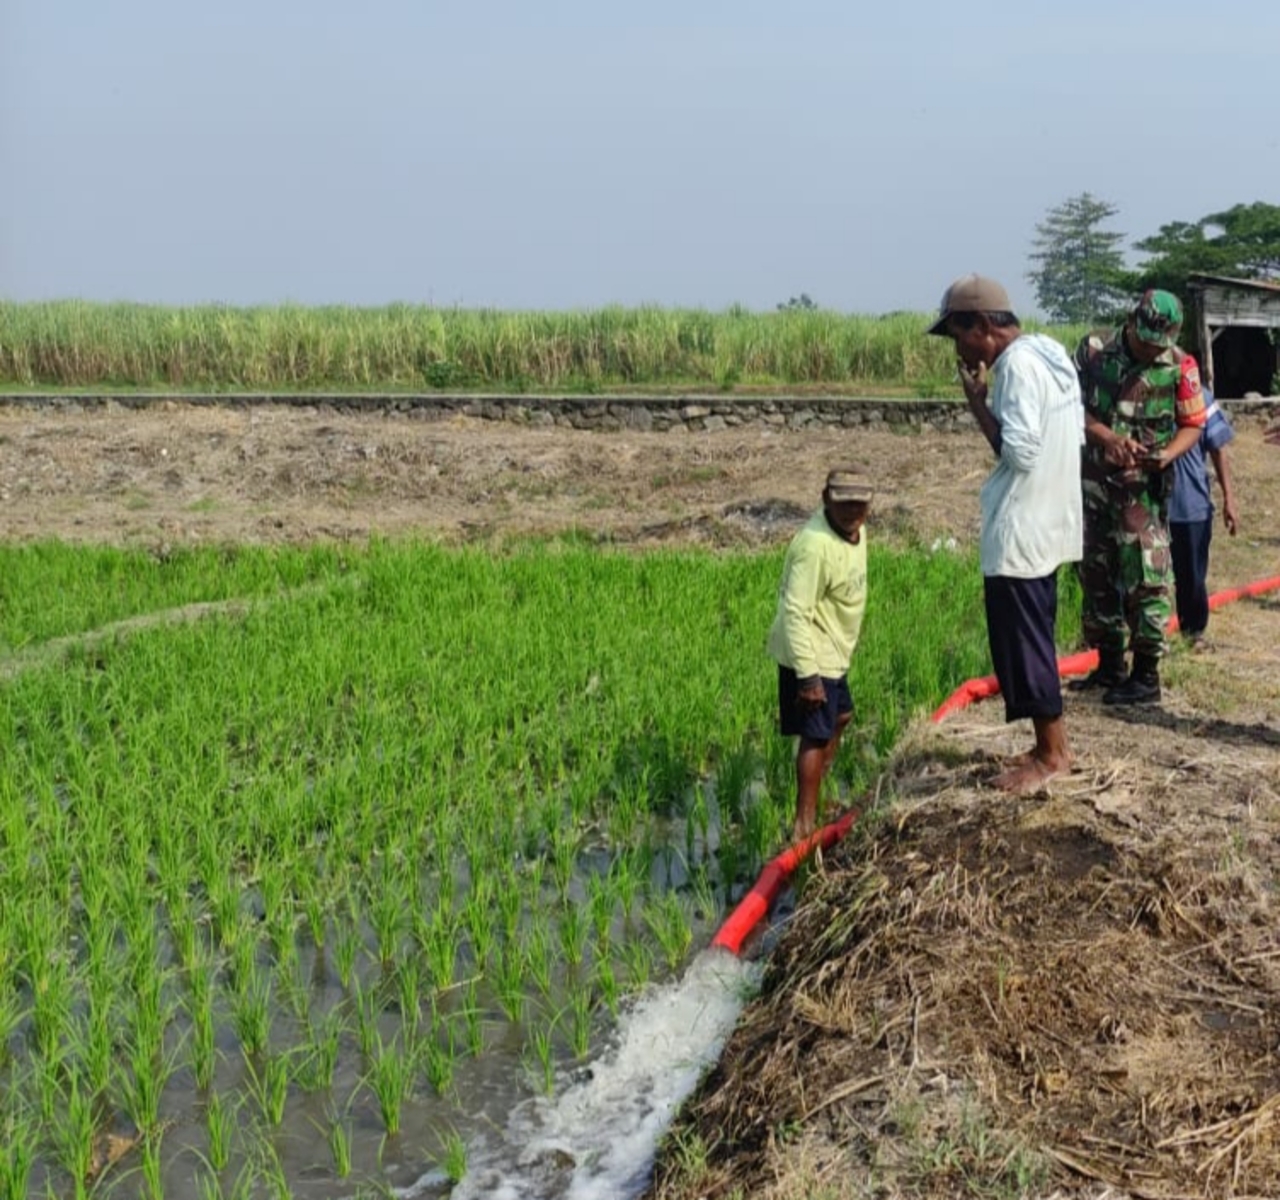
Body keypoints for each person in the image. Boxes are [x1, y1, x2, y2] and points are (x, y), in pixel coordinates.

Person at [927, 273, 1082, 793]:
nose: (960, 348)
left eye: (959, 335)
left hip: (1021, 530)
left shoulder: (1015, 368)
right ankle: (1049, 744)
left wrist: (978, 404)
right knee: (1035, 638)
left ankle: (1052, 755)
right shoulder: (1050, 354)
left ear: (985, 326)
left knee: (1026, 647)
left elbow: (1019, 452)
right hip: (1050, 520)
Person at [1072, 290, 1208, 704]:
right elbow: (1070, 406)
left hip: (1142, 494)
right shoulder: (1094, 351)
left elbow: (1194, 422)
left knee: (1147, 579)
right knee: (1094, 572)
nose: (1151, 350)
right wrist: (1107, 437)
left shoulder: (1181, 365)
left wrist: (1167, 455)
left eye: (1159, 344)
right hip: (1094, 484)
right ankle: (1110, 665)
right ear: (1131, 323)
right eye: (1146, 341)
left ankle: (1146, 676)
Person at [767, 468, 871, 842]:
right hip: (811, 653)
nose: (852, 511)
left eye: (859, 503)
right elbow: (795, 612)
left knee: (841, 715)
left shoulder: (857, 532)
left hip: (834, 652)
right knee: (815, 734)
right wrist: (807, 677)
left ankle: (817, 791)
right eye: (843, 503)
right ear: (826, 498)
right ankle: (803, 825)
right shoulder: (814, 546)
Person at [1168, 384, 1238, 647]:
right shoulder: (1144, 393)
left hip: (1190, 502)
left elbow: (1218, 449)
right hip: (1152, 504)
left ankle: (1194, 632)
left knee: (1192, 576)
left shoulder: (1200, 397)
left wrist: (1229, 499)